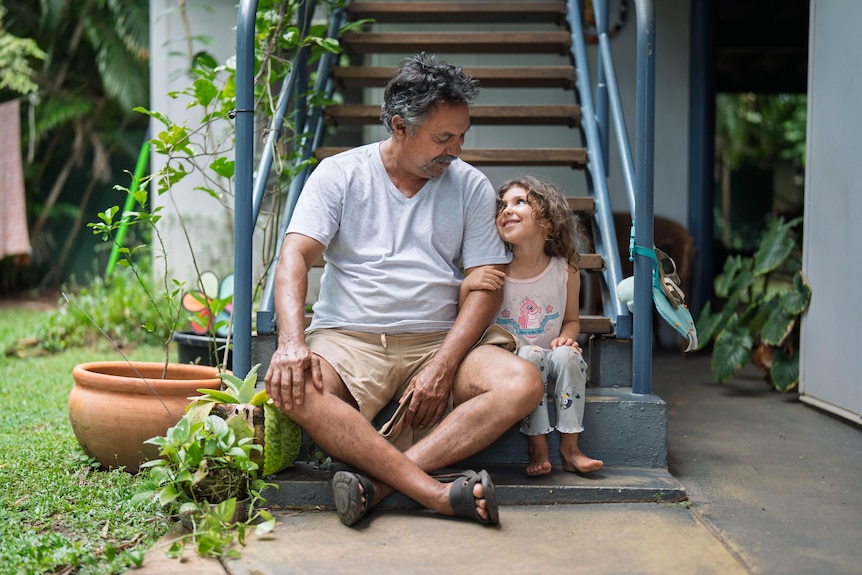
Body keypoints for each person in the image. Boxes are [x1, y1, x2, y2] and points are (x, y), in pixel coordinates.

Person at [264, 53, 544, 527]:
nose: (455, 149)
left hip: (439, 338)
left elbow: (486, 287)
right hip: (348, 339)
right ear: (399, 126)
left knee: (523, 382)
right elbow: (294, 256)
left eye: (461, 136)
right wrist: (291, 343)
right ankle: (434, 493)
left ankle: (377, 487)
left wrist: (443, 364)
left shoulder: (470, 186)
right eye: (443, 138)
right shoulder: (340, 174)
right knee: (297, 391)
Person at [460, 175, 604, 477]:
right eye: (502, 205)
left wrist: (567, 339)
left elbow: (571, 321)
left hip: (551, 355)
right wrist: (467, 285)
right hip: (512, 362)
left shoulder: (566, 270)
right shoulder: (494, 271)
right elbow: (466, 323)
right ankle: (537, 444)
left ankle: (570, 446)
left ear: (548, 222)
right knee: (530, 357)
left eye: (519, 202)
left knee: (569, 357)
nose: (506, 210)